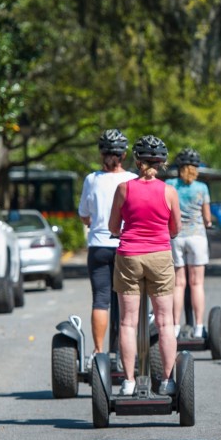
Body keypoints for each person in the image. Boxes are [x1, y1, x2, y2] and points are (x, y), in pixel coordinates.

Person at [109, 135, 181, 396]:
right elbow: (176, 228)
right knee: (165, 321)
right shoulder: (169, 191)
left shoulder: (124, 189)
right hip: (160, 256)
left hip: (129, 255)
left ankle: (128, 382)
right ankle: (166, 380)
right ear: (162, 163)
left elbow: (113, 226)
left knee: (128, 322)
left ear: (137, 161)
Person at [78, 129, 136, 358]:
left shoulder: (91, 180)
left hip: (99, 245)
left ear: (101, 153)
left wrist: (92, 220)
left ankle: (99, 351)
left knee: (101, 299)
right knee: (125, 303)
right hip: (125, 246)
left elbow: (84, 214)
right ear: (124, 155)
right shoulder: (132, 180)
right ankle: (126, 353)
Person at [166, 147, 212, 339]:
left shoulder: (170, 184)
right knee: (197, 283)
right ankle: (199, 326)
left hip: (176, 237)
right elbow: (207, 217)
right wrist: (208, 222)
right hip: (197, 237)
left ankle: (175, 326)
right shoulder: (202, 188)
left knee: (178, 284)